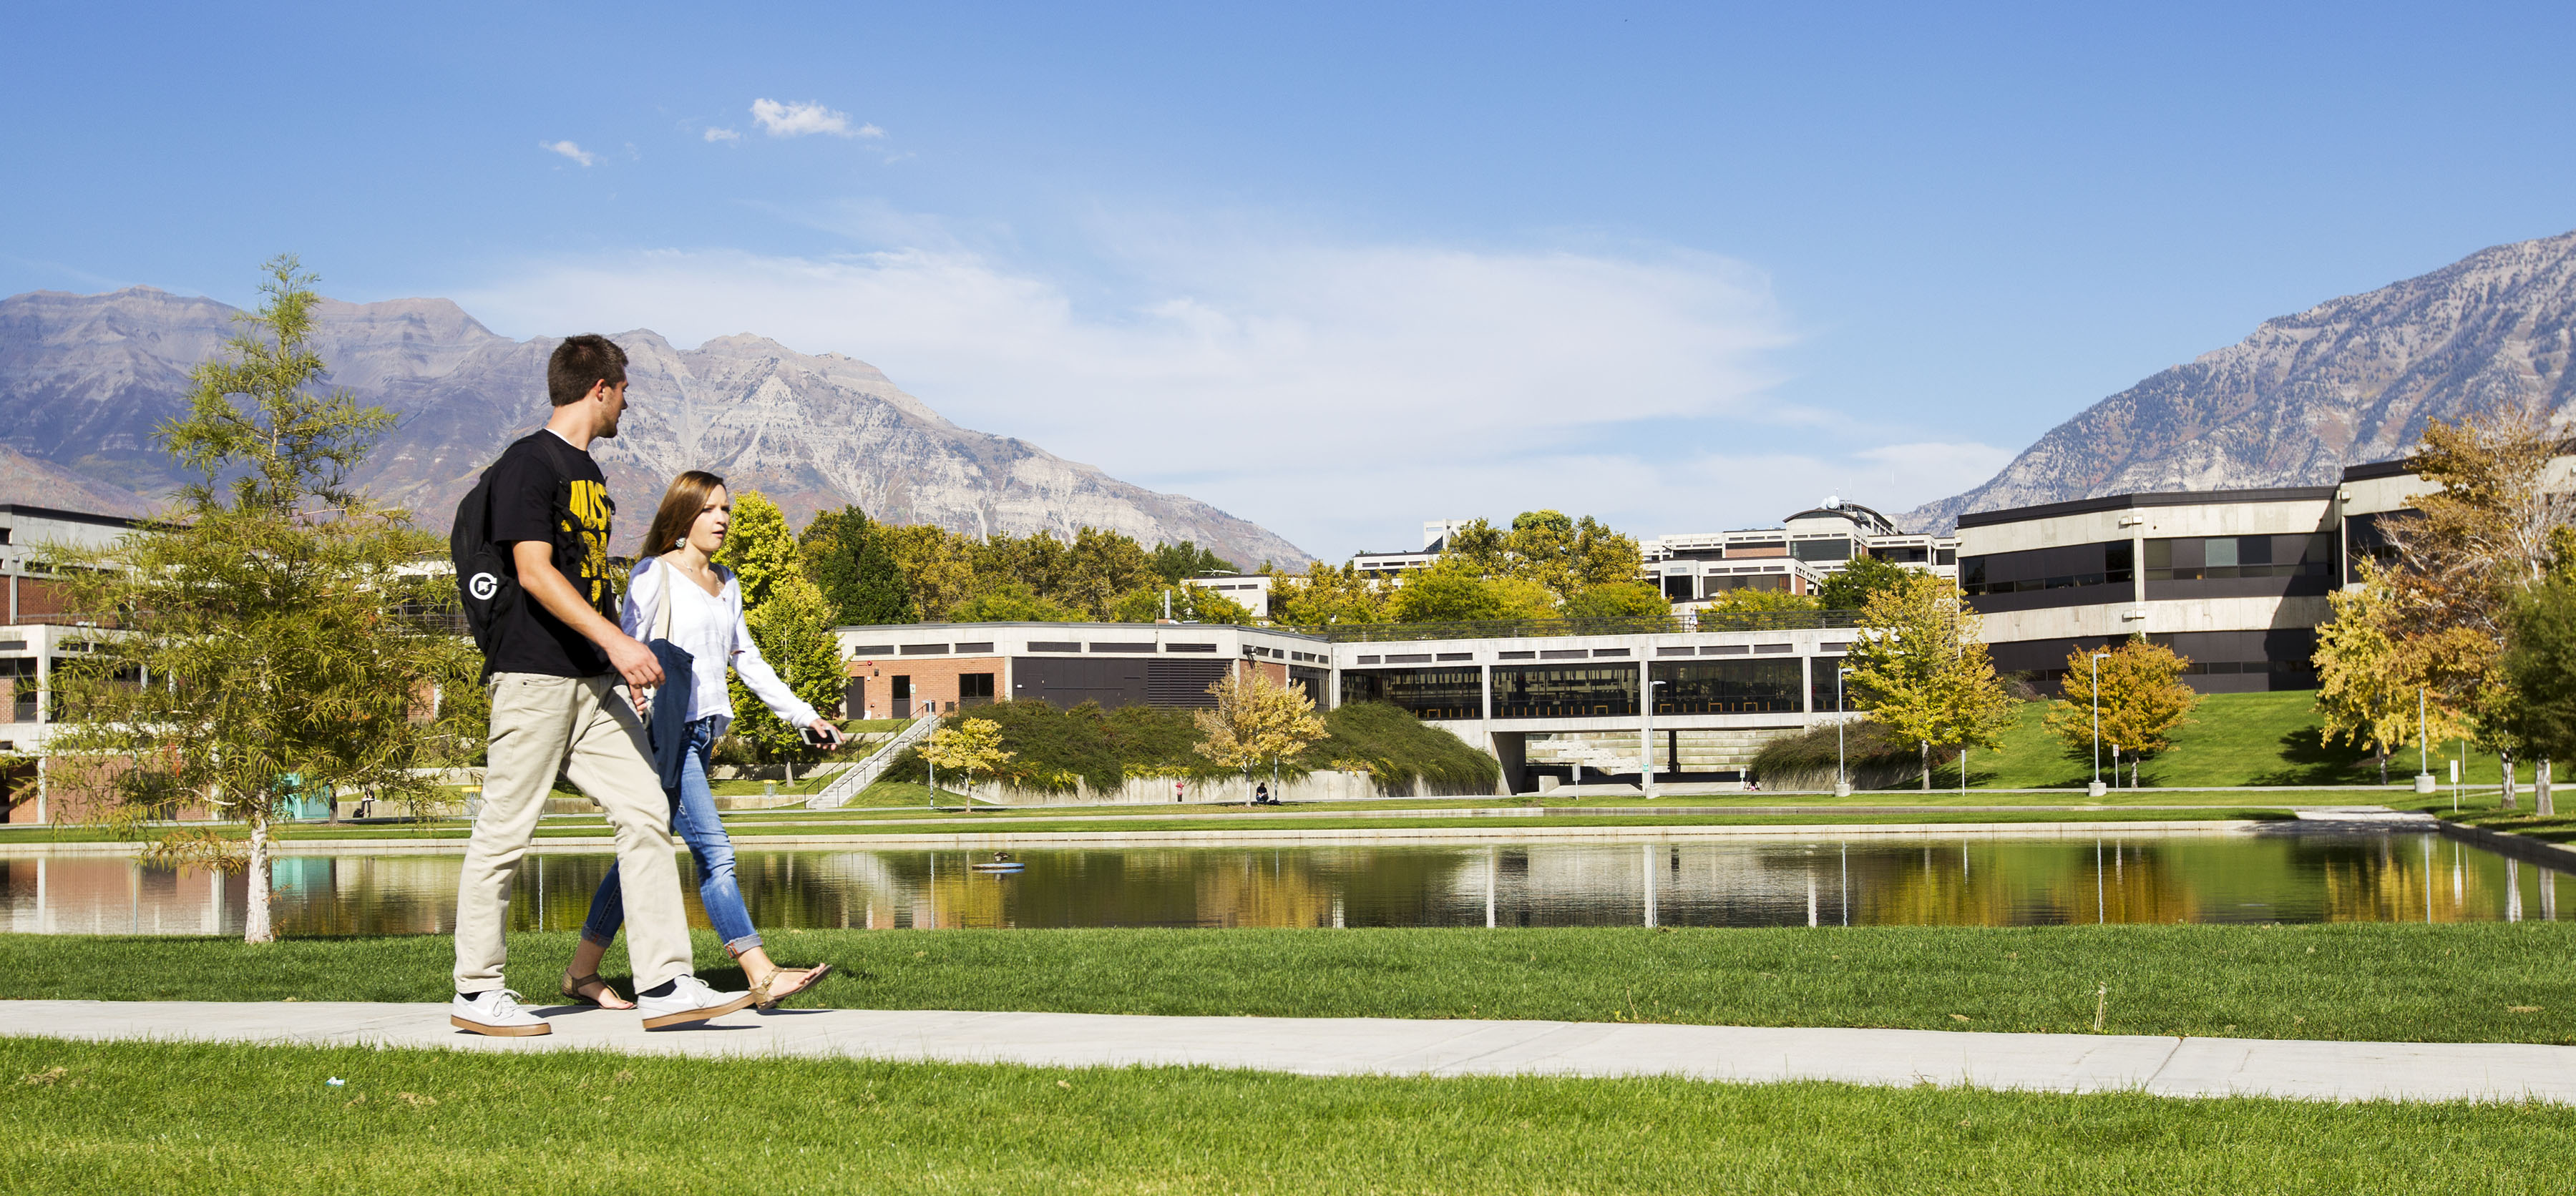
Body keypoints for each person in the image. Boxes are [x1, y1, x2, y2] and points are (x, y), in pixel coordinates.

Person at [451, 335, 753, 1036]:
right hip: (533, 677)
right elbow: (533, 570)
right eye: (624, 387)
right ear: (600, 390)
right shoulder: (530, 463)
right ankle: (476, 989)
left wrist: (622, 658)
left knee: (648, 808)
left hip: (593, 681)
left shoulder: (587, 472)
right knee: (505, 829)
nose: (629, 400)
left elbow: (588, 580)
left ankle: (667, 982)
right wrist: (618, 641)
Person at [563, 471, 846, 1012]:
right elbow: (623, 645)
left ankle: (580, 973)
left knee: (639, 856)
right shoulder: (653, 575)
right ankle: (760, 973)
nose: (721, 519)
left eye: (726, 510)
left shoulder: (727, 582)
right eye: (710, 509)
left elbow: (748, 659)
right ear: (683, 516)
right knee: (716, 853)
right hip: (663, 734)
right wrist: (633, 693)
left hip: (704, 734)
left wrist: (804, 716)